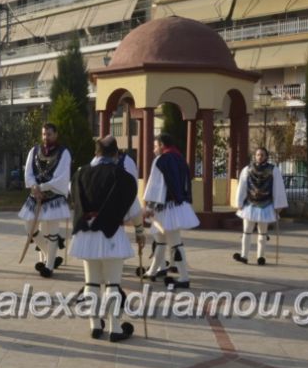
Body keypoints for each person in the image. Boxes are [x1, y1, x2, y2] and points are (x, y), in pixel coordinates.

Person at [71, 136, 145, 341]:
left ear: (96, 153)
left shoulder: (80, 174)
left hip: (86, 233)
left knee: (91, 282)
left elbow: (75, 201)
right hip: (111, 233)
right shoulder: (123, 177)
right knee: (113, 284)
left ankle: (95, 325)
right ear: (116, 154)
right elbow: (135, 211)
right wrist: (139, 231)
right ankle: (115, 328)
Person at [142, 133, 200, 289]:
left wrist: (148, 207)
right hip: (177, 205)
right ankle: (153, 271)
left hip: (166, 207)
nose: (154, 149)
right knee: (160, 239)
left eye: (155, 146)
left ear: (161, 145)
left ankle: (184, 277)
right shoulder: (180, 158)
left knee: (174, 242)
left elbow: (155, 186)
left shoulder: (161, 160)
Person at [18, 123, 71, 278]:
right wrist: (34, 186)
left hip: (53, 196)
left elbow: (61, 176)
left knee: (53, 231)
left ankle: (49, 266)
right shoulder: (34, 151)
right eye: (43, 134)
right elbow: (28, 172)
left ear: (56, 135)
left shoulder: (64, 152)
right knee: (29, 227)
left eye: (49, 134)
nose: (46, 137)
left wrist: (42, 187)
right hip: (35, 195)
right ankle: (50, 256)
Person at [233, 147, 288, 265]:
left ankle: (261, 257)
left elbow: (278, 188)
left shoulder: (273, 170)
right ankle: (244, 256)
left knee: (262, 232)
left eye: (262, 155)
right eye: (258, 154)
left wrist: (278, 205)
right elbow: (242, 186)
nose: (259, 157)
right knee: (246, 231)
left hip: (266, 205)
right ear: (255, 156)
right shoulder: (247, 169)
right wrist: (239, 203)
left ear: (266, 156)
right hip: (250, 205)